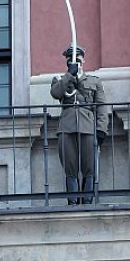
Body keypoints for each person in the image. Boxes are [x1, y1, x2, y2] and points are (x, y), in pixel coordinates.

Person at [50, 45, 109, 205]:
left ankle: (88, 201)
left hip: (88, 127)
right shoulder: (59, 80)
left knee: (89, 167)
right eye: (71, 60)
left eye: (78, 59)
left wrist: (101, 129)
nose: (76, 62)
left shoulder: (94, 81)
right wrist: (70, 75)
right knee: (70, 166)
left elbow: (102, 107)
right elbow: (56, 93)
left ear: (83, 61)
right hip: (67, 127)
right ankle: (73, 202)